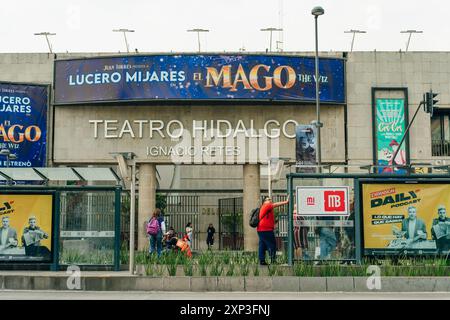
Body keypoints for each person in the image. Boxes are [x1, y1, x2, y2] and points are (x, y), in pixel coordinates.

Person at [257, 196, 289, 265]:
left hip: (261, 229)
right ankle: (273, 260)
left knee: (262, 245)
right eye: (268, 199)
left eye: (270, 199)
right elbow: (276, 205)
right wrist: (286, 202)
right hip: (266, 229)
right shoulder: (267, 205)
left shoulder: (264, 207)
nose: (270, 200)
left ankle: (262, 260)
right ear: (264, 201)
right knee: (272, 245)